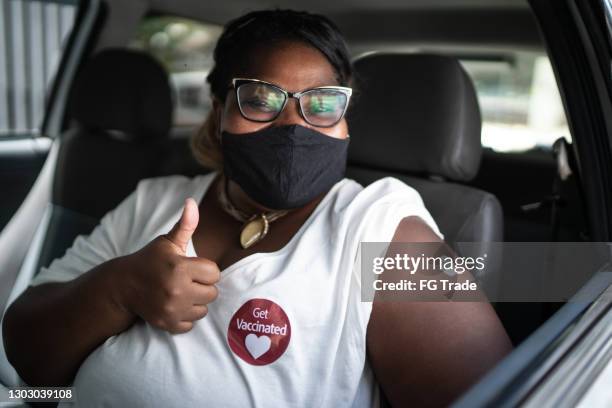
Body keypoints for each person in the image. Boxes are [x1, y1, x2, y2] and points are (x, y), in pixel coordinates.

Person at [3, 9, 512, 407]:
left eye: (321, 103)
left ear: (345, 121)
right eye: (262, 99)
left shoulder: (377, 230)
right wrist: (119, 290)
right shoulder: (155, 199)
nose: (293, 125)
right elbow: (29, 354)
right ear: (220, 110)